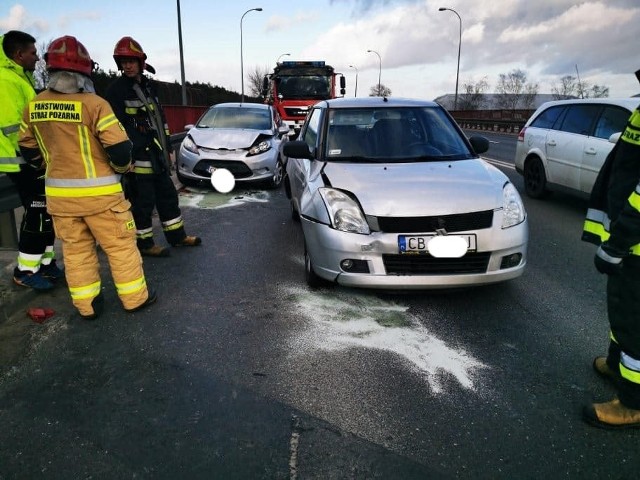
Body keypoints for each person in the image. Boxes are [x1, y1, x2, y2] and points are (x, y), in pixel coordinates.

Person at [18, 35, 156, 319]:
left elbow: (27, 147)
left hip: (60, 200)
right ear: (84, 72)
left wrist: (48, 168)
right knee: (120, 248)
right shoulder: (95, 105)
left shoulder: (34, 105)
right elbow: (119, 149)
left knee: (76, 252)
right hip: (101, 198)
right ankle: (134, 299)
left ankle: (87, 306)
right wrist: (121, 170)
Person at [105, 36, 201, 257]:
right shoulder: (116, 91)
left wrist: (168, 147)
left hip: (157, 156)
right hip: (136, 159)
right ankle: (145, 244)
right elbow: (114, 129)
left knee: (168, 197)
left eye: (131, 61)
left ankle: (177, 236)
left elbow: (160, 121)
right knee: (142, 203)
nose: (127, 65)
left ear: (140, 62)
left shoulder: (148, 88)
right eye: (123, 61)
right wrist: (125, 159)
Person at [581, 84, 640, 428]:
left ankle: (633, 403)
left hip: (633, 242)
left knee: (633, 321)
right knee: (622, 313)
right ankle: (618, 366)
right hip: (629, 240)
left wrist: (617, 243)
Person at [0, 30, 63, 290]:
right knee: (37, 214)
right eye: (33, 53)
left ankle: (45, 265)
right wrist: (35, 155)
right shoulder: (5, 80)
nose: (37, 58)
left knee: (46, 214)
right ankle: (25, 271)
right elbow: (13, 128)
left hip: (31, 160)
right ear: (18, 54)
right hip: (19, 161)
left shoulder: (19, 78)